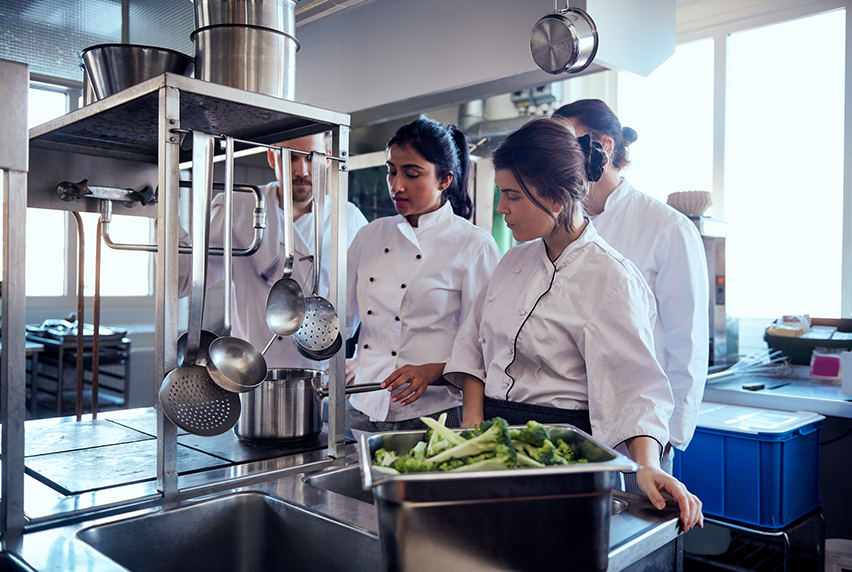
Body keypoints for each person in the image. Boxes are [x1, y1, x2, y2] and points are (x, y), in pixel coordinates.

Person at [445, 117, 703, 531]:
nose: (500, 209)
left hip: (563, 462)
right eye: (500, 194)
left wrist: (648, 465)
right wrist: (472, 431)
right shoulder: (512, 261)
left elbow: (636, 390)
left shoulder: (612, 278)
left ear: (555, 198)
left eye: (511, 196)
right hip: (492, 451)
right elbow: (473, 347)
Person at [553, 100, 709, 475]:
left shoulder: (667, 228)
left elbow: (686, 339)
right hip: (571, 424)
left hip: (641, 434)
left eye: (566, 145)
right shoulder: (557, 226)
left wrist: (667, 435)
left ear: (604, 147)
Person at [345, 117, 501, 432]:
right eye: (391, 171)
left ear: (445, 180)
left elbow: (485, 346)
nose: (396, 185)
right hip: (362, 404)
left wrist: (431, 372)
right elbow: (340, 320)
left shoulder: (473, 245)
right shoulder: (369, 236)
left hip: (435, 413)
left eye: (412, 174)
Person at [178, 132, 369, 369]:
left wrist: (360, 360)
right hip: (250, 372)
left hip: (319, 375)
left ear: (329, 159)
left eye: (312, 158)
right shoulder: (239, 207)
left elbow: (370, 302)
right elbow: (184, 281)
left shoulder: (349, 218)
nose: (302, 171)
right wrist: (165, 212)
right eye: (291, 158)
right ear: (272, 157)